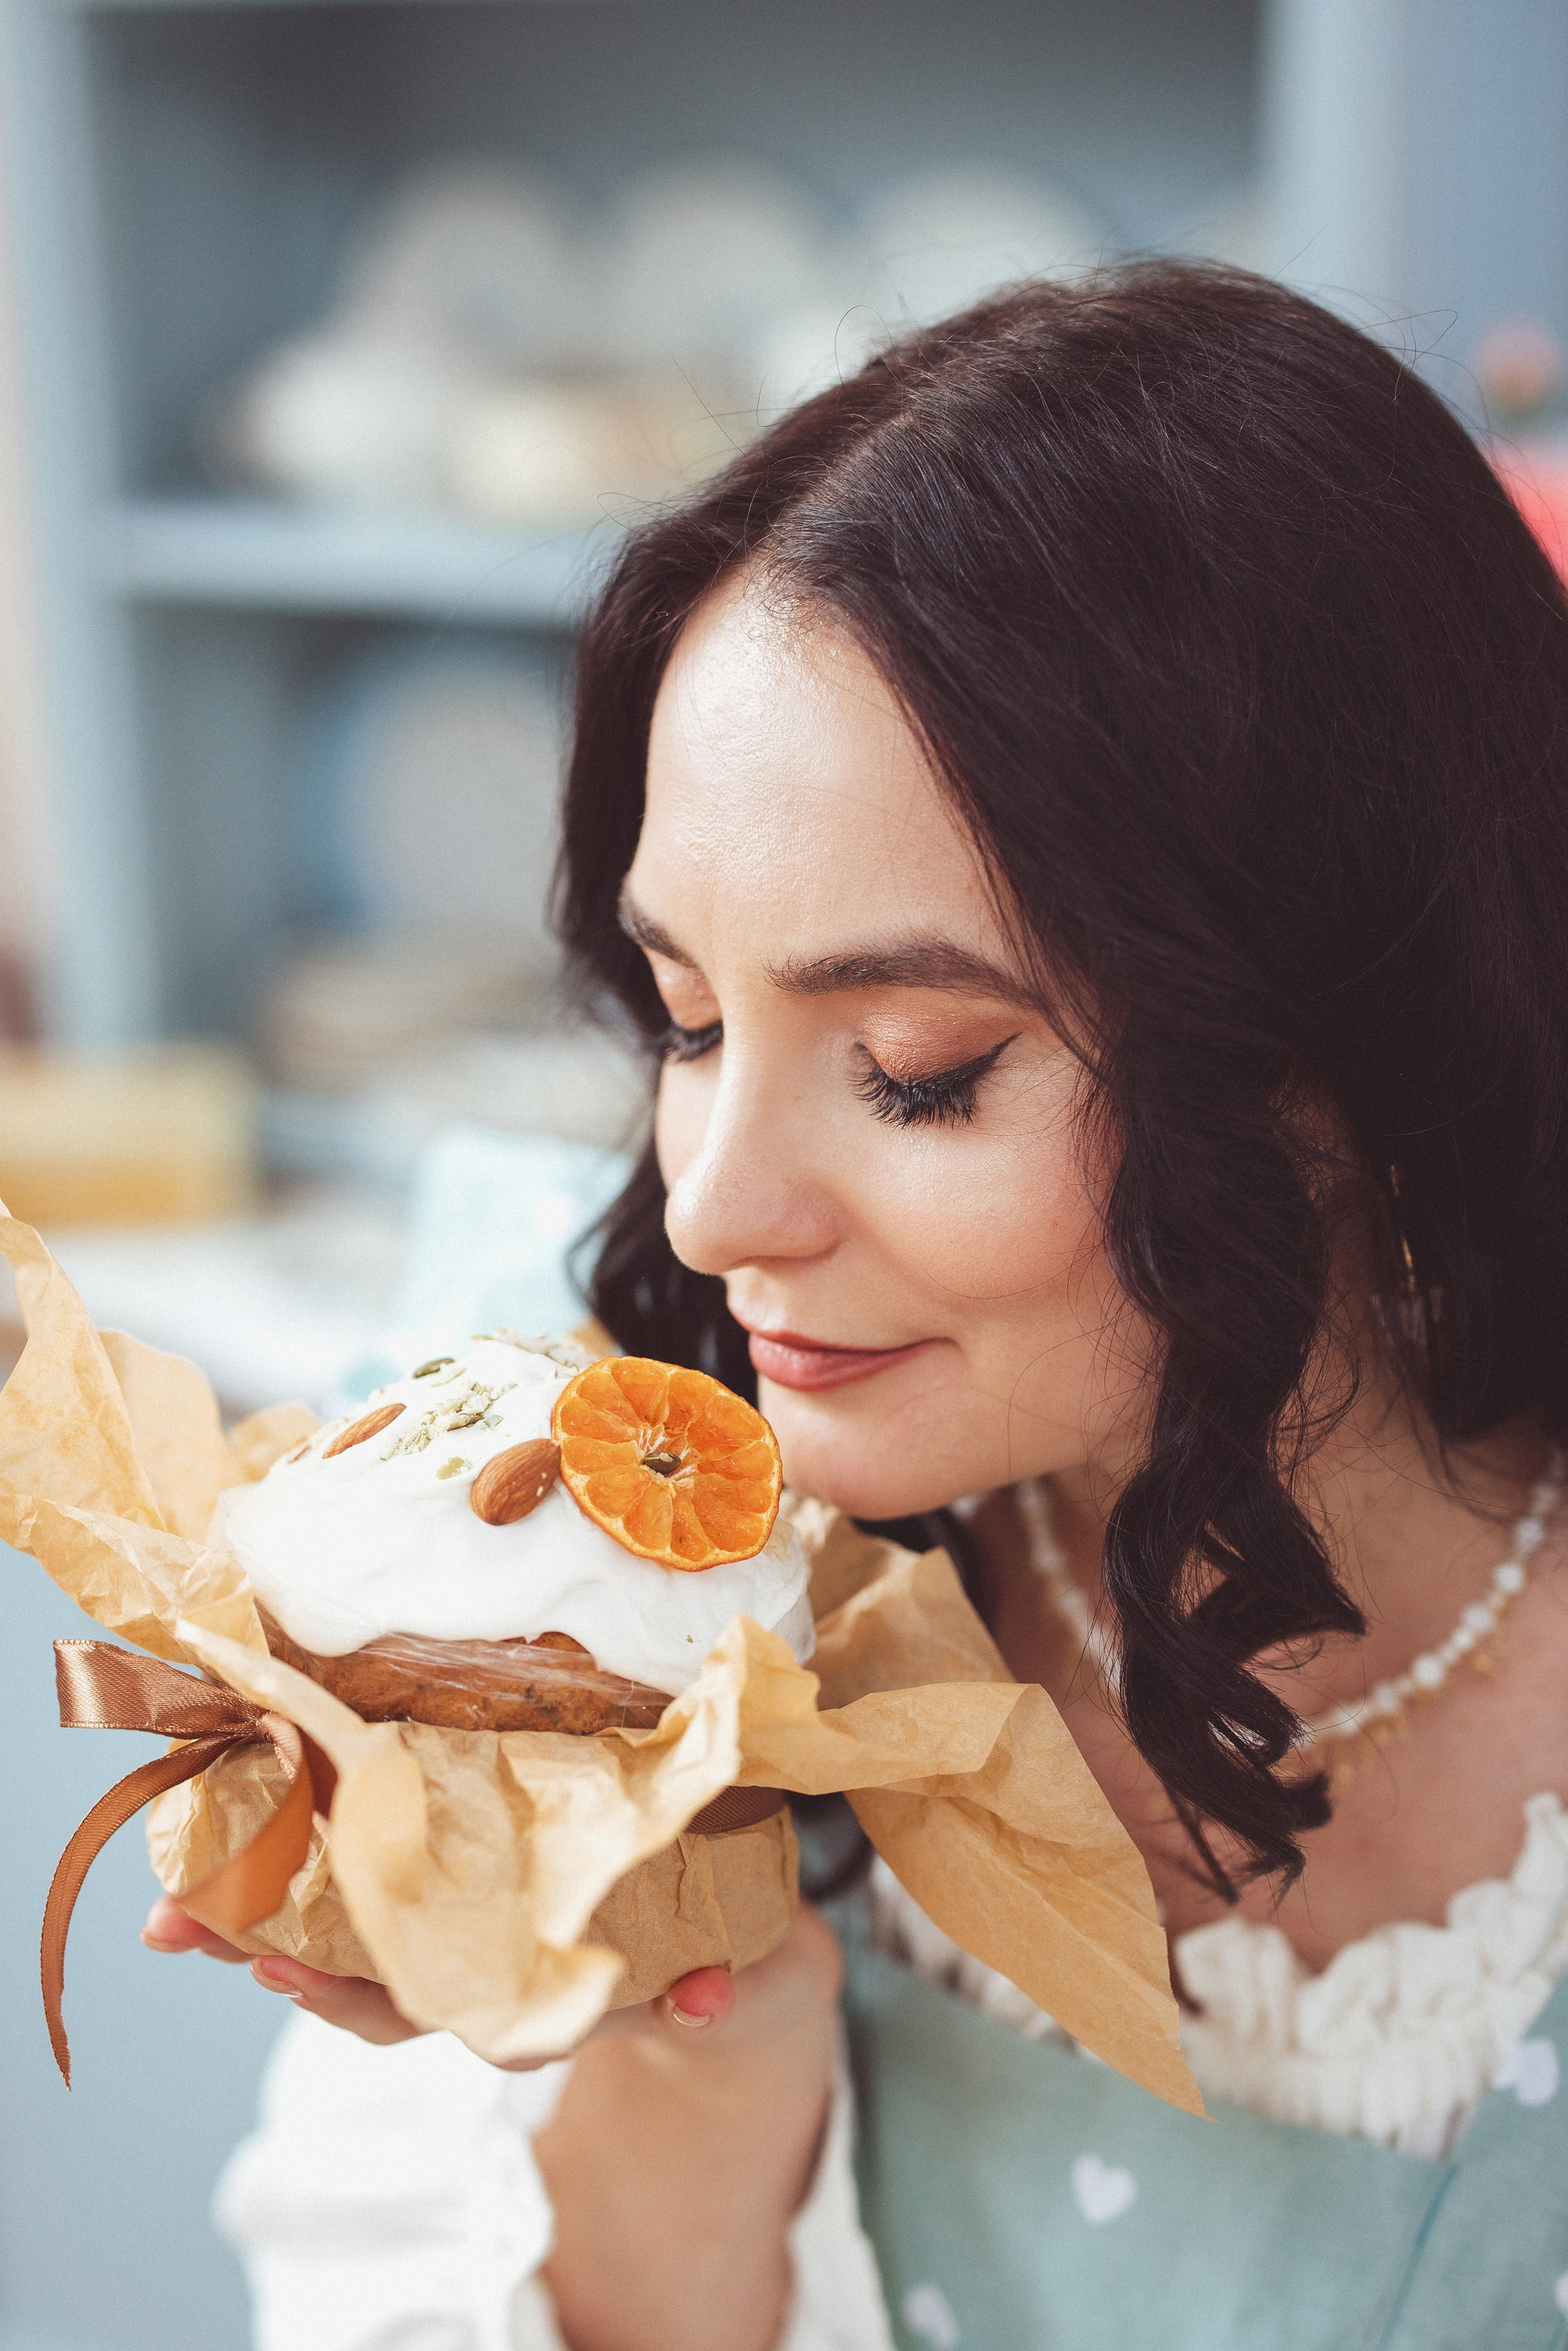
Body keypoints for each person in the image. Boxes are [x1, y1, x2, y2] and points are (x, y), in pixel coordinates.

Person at [146, 263, 1568, 2350]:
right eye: (692, 1019)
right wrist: (678, 2035)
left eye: (916, 1067)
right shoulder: (571, 1578)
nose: (713, 1213)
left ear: (1350, 1041)